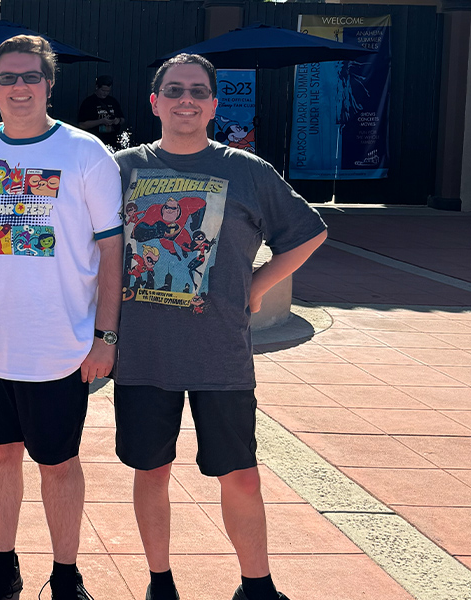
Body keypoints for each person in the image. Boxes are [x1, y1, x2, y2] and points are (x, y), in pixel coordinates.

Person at [112, 54, 327, 600]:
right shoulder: (121, 168)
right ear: (155, 101)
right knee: (151, 470)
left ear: (211, 105)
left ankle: (257, 586)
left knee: (241, 474)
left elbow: (308, 232)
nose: (187, 99)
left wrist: (256, 286)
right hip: (143, 351)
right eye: (175, 90)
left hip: (220, 352)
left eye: (199, 92)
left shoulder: (247, 170)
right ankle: (160, 582)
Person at [0, 35, 123, 600]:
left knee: (59, 463)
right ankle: (2, 566)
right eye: (8, 79)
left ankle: (66, 575)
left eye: (30, 77)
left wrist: (106, 335)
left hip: (58, 344)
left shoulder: (86, 153)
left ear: (49, 84)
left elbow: (112, 251)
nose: (20, 88)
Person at [77, 75, 126, 149]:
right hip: (95, 141)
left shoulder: (113, 101)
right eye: (103, 90)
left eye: (108, 91)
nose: (105, 93)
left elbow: (123, 119)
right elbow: (82, 125)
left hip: (112, 141)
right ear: (97, 87)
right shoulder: (88, 102)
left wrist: (117, 120)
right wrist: (101, 121)